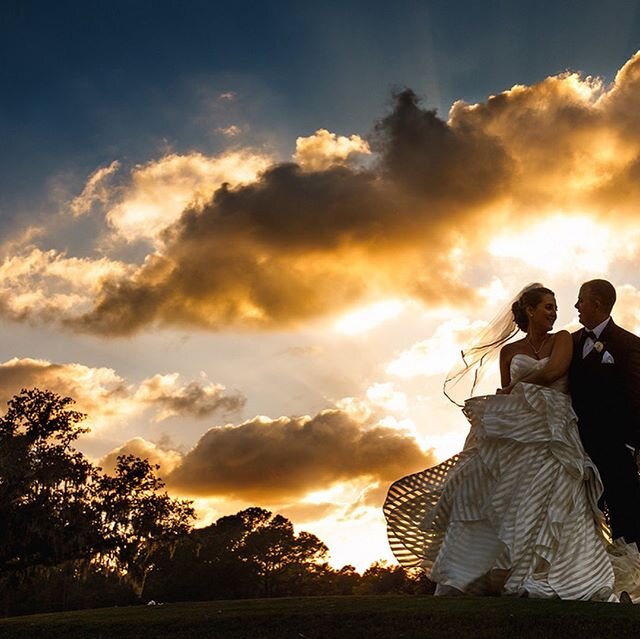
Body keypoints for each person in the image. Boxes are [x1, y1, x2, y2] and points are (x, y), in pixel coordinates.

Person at [384, 284, 640, 600]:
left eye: (564, 305)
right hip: (526, 427)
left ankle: (568, 574)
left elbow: (557, 372)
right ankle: (491, 570)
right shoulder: (522, 349)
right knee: (506, 497)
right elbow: (509, 394)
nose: (561, 310)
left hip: (567, 432)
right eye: (549, 306)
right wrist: (507, 398)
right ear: (529, 311)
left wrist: (515, 387)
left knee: (571, 503)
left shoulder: (576, 340)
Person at [570, 279, 640, 546]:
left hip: (615, 449)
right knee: (580, 517)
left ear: (596, 304)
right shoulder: (570, 343)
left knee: (626, 518)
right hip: (575, 448)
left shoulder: (629, 344)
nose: (576, 305)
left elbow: (636, 398)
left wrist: (636, 445)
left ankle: (630, 579)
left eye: (581, 299)